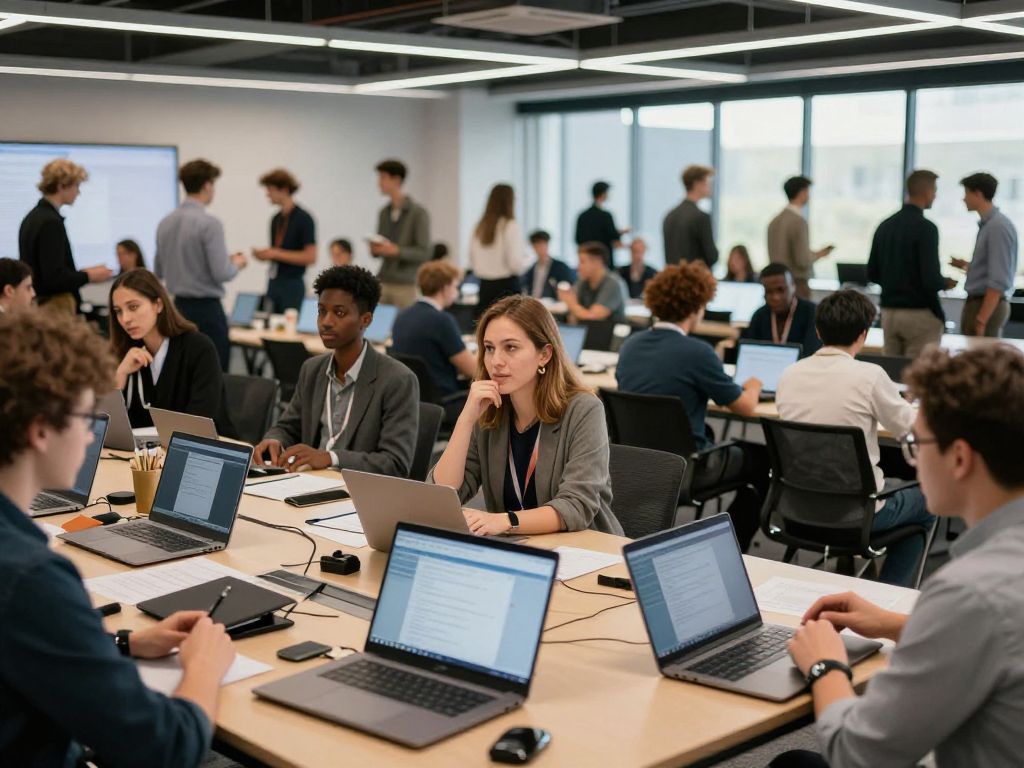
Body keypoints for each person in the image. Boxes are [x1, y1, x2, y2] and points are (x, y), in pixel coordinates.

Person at [0, 310, 236, 767]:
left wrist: (120, 644)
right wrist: (204, 669)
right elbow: (165, 749)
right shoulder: (30, 576)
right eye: (85, 416)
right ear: (41, 431)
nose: (92, 435)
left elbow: (22, 645)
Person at [776, 344, 1024, 768]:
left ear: (960, 458)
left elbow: (856, 754)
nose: (911, 459)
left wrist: (825, 666)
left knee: (793, 763)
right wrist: (895, 625)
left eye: (915, 443)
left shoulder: (968, 589)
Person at [775, 290, 935, 586]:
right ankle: (887, 595)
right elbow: (909, 429)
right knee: (926, 501)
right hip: (857, 516)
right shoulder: (870, 376)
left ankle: (850, 569)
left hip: (796, 510)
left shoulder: (789, 374)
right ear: (863, 334)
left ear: (818, 331)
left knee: (872, 482)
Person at [429, 294, 623, 536]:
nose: (496, 361)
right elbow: (443, 494)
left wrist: (505, 521)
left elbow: (576, 505)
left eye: (510, 347)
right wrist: (466, 419)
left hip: (582, 551)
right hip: (517, 550)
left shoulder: (583, 409)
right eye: (489, 348)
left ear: (545, 354)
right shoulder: (490, 409)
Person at [615, 263, 766, 550]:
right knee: (762, 460)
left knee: (706, 427)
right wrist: (755, 385)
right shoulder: (698, 352)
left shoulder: (630, 346)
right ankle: (731, 549)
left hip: (636, 463)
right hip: (688, 468)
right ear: (696, 307)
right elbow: (745, 407)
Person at [254, 266, 419, 477]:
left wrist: (330, 457)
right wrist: (275, 439)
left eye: (339, 313)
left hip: (357, 494)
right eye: (322, 311)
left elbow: (395, 463)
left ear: (365, 320)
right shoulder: (312, 369)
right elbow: (288, 426)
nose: (326, 322)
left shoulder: (397, 379)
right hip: (307, 481)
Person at [109, 269, 233, 436]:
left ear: (158, 305)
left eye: (133, 307)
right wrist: (121, 374)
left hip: (199, 452)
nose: (125, 319)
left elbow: (199, 421)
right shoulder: (125, 352)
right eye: (118, 311)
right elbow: (107, 426)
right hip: (143, 457)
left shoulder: (198, 348)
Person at [154, 159, 247, 371]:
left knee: (184, 375)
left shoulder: (165, 223)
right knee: (214, 375)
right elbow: (222, 272)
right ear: (207, 185)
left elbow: (159, 270)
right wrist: (237, 264)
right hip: (207, 313)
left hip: (177, 311)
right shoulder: (209, 223)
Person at [868, 169, 956, 357]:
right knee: (919, 377)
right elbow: (930, 279)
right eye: (934, 191)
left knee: (891, 374)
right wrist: (945, 282)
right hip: (920, 314)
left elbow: (872, 273)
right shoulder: (927, 229)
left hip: (889, 313)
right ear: (926, 192)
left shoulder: (885, 226)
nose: (935, 196)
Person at [18, 158, 112, 314]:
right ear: (62, 185)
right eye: (76, 185)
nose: (78, 192)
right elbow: (54, 279)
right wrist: (89, 276)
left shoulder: (33, 217)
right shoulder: (50, 222)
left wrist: (83, 272)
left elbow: (48, 270)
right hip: (54, 308)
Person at [391, 261, 476, 413]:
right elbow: (472, 369)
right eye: (456, 287)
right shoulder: (441, 320)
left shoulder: (403, 315)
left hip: (411, 400)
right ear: (445, 288)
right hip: (444, 401)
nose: (457, 292)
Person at [950, 172, 1018, 338]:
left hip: (985, 305)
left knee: (981, 360)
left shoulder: (997, 227)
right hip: (980, 302)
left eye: (966, 193)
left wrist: (981, 320)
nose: (963, 199)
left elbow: (998, 280)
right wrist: (968, 266)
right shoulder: (989, 225)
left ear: (978, 194)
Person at [253, 168, 316, 313]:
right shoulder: (276, 219)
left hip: (292, 285)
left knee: (288, 330)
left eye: (270, 189)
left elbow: (310, 257)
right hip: (274, 282)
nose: (267, 194)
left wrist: (275, 254)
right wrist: (266, 255)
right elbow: (277, 252)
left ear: (284, 190)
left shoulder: (304, 219)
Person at [371, 159, 431, 309]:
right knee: (377, 328)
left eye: (383, 178)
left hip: (406, 284)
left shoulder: (418, 213)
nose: (379, 183)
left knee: (405, 328)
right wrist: (376, 249)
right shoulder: (384, 213)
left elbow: (424, 252)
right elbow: (381, 248)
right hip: (384, 280)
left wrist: (397, 251)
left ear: (396, 179)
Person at [767, 176, 834, 300]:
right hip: (796, 285)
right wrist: (820, 254)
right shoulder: (798, 221)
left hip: (775, 284)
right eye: (808, 192)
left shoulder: (774, 221)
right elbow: (802, 260)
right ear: (802, 192)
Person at [468, 183, 528, 315]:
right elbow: (515, 264)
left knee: (486, 328)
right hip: (507, 288)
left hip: (485, 287)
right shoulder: (510, 226)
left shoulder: (479, 227)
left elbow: (472, 260)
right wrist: (527, 261)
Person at [740, 264, 821, 356]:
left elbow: (812, 353)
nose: (776, 297)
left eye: (781, 290)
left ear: (793, 287)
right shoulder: (759, 316)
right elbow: (750, 354)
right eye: (769, 291)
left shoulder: (812, 313)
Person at [558, 242, 629, 324]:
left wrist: (570, 303)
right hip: (586, 332)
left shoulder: (613, 284)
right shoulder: (583, 282)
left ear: (597, 262)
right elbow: (574, 317)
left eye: (582, 262)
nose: (579, 267)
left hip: (610, 334)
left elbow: (592, 317)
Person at [662, 164, 718, 268]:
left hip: (673, 280)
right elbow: (711, 257)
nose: (710, 187)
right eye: (707, 182)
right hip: (696, 280)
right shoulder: (701, 217)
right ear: (697, 184)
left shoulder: (669, 216)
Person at [574, 181, 628, 267]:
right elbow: (613, 236)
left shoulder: (582, 216)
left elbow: (577, 239)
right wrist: (621, 233)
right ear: (603, 194)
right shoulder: (606, 216)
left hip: (586, 262)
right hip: (603, 262)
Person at [521, 230, 575, 300]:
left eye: (543, 244)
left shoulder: (560, 267)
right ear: (533, 247)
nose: (540, 248)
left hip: (554, 305)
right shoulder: (531, 270)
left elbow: (568, 287)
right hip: (533, 303)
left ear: (547, 244)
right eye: (537, 245)